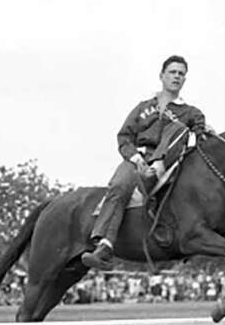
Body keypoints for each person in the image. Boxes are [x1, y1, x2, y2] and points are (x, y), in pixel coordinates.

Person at [80, 55, 211, 270]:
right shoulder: (143, 107)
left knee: (179, 130)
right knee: (120, 184)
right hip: (138, 159)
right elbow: (124, 137)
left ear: (184, 80)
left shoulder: (190, 112)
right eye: (172, 72)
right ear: (162, 76)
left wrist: (205, 131)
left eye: (181, 74)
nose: (176, 77)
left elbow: (200, 136)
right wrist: (136, 159)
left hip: (170, 164)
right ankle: (104, 245)